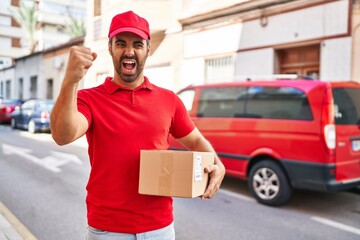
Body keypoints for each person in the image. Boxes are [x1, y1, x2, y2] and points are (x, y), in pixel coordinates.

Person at [50, 10, 225, 240]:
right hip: (108, 230)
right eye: (121, 43)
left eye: (137, 44)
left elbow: (195, 141)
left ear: (148, 49)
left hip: (160, 229)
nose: (129, 51)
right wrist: (70, 80)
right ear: (110, 47)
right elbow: (63, 135)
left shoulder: (169, 100)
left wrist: (217, 163)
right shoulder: (89, 99)